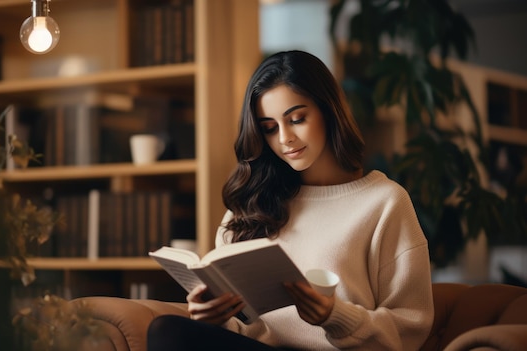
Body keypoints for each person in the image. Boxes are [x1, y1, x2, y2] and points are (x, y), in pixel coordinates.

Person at [147, 50, 434, 350]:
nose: (284, 138)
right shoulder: (251, 202)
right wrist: (215, 318)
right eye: (269, 128)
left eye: (296, 119)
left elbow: (410, 327)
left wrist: (335, 315)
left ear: (328, 111)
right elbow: (246, 328)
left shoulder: (384, 202)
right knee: (168, 331)